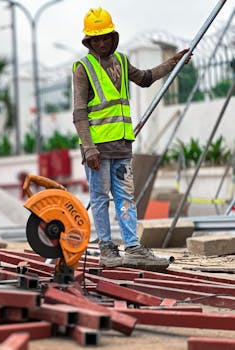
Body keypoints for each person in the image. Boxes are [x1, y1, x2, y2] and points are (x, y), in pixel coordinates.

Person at [72, 8, 191, 269]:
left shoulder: (123, 62)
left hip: (122, 147)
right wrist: (89, 148)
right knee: (101, 199)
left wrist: (173, 63)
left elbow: (146, 79)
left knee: (126, 198)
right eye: (96, 39)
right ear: (89, 42)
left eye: (105, 37)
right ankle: (106, 250)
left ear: (113, 37)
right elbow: (79, 111)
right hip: (97, 151)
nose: (101, 43)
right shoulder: (83, 68)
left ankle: (133, 247)